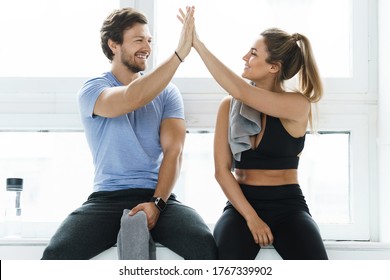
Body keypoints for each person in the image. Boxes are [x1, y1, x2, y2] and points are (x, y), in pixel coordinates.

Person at [41, 7, 217, 260]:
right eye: (138, 40)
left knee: (204, 246)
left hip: (159, 196)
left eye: (149, 40)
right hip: (107, 198)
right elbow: (131, 98)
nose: (146, 46)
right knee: (57, 254)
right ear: (114, 44)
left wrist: (157, 203)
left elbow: (173, 151)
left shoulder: (168, 93)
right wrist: (179, 54)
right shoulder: (93, 90)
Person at [178, 8, 328, 260]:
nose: (245, 57)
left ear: (273, 67)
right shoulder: (228, 105)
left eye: (254, 53)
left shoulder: (296, 104)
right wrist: (251, 217)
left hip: (288, 206)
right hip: (240, 204)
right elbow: (221, 171)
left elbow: (242, 91)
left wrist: (198, 45)